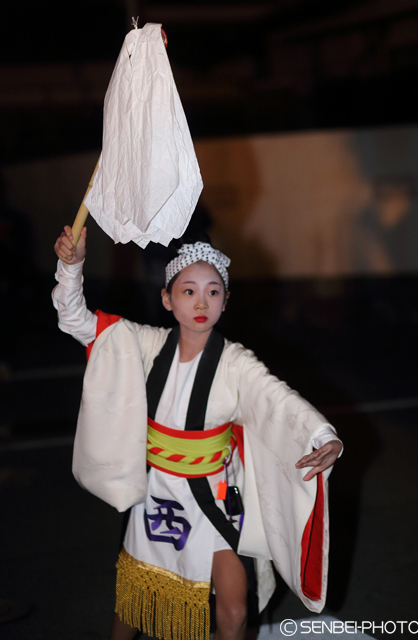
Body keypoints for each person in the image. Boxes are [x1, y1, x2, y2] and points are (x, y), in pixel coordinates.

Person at [53, 225, 343, 640]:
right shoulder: (143, 344)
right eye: (188, 291)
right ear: (167, 299)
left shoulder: (236, 362)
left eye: (213, 291)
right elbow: (74, 318)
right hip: (158, 492)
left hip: (214, 495)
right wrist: (72, 265)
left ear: (225, 302)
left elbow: (279, 400)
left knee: (234, 610)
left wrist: (322, 435)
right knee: (135, 601)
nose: (201, 302)